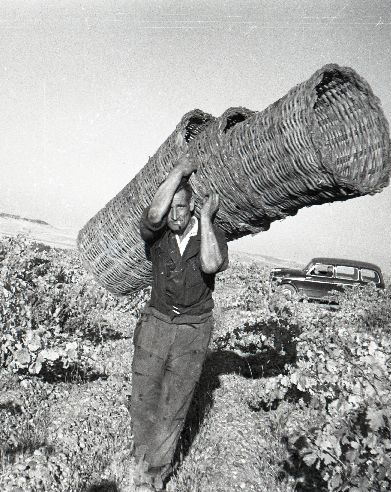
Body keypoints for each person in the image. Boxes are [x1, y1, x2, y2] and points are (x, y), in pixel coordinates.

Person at [130, 155, 228, 491]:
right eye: (171, 206)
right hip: (156, 323)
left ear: (192, 208)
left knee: (175, 402)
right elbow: (154, 213)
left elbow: (212, 265)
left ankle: (155, 474)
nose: (175, 214)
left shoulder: (211, 234)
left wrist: (205, 218)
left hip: (192, 331)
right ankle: (141, 460)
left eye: (182, 207)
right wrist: (179, 172)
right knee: (143, 396)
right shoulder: (156, 235)